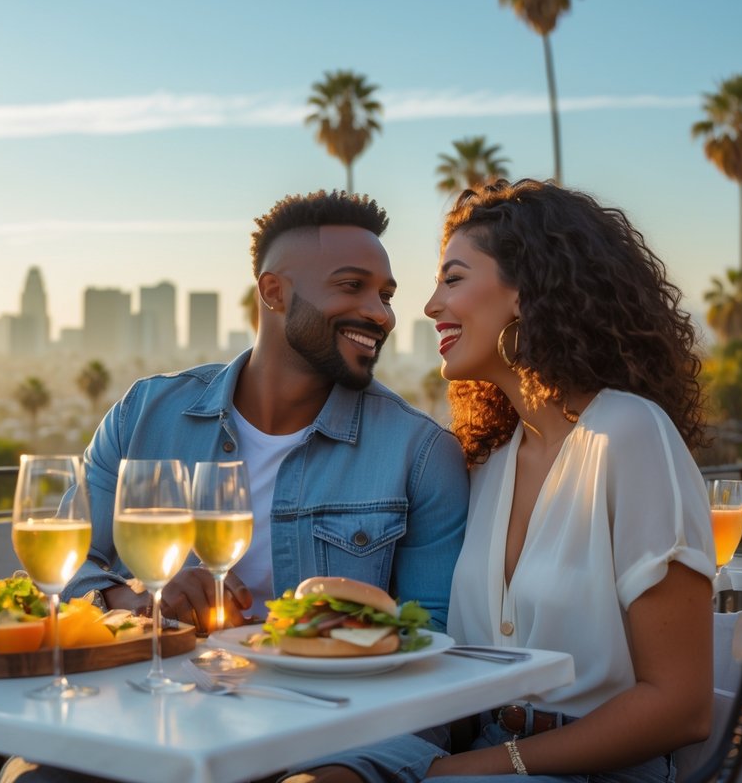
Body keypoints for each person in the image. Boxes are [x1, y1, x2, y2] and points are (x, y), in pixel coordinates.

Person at [284, 179, 715, 783]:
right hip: (482, 749)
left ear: (527, 291)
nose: (431, 305)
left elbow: (682, 706)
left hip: (595, 767)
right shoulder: (487, 462)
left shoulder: (628, 434)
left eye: (453, 278)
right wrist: (368, 618)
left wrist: (468, 770)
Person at [65, 188, 469, 633]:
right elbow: (61, 565)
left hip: (325, 701)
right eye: (352, 286)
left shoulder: (422, 454)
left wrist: (328, 634)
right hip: (152, 697)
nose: (382, 315)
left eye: (386, 295)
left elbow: (431, 631)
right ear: (274, 292)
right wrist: (137, 598)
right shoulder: (141, 417)